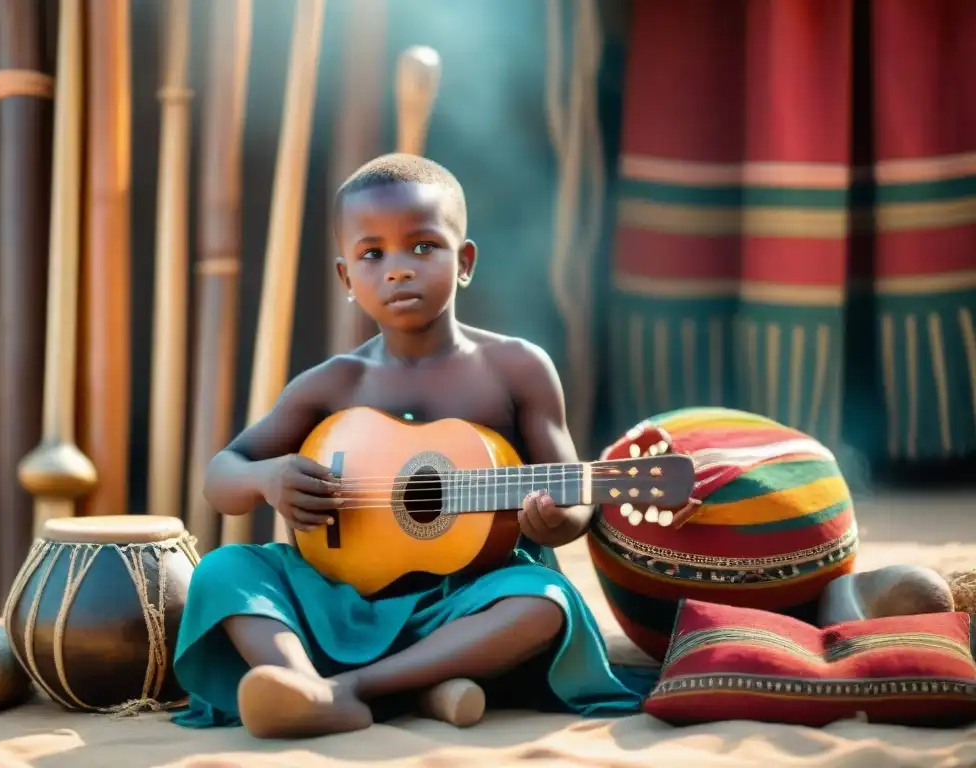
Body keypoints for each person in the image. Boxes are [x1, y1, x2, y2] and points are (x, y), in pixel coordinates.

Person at [172, 153, 650, 739]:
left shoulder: (515, 368)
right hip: (338, 599)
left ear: (464, 260)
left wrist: (557, 522)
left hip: (467, 599)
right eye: (373, 254)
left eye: (423, 246)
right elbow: (222, 474)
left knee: (544, 599)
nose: (398, 269)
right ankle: (302, 682)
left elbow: (571, 491)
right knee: (223, 569)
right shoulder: (334, 383)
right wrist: (266, 478)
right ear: (348, 278)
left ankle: (352, 689)